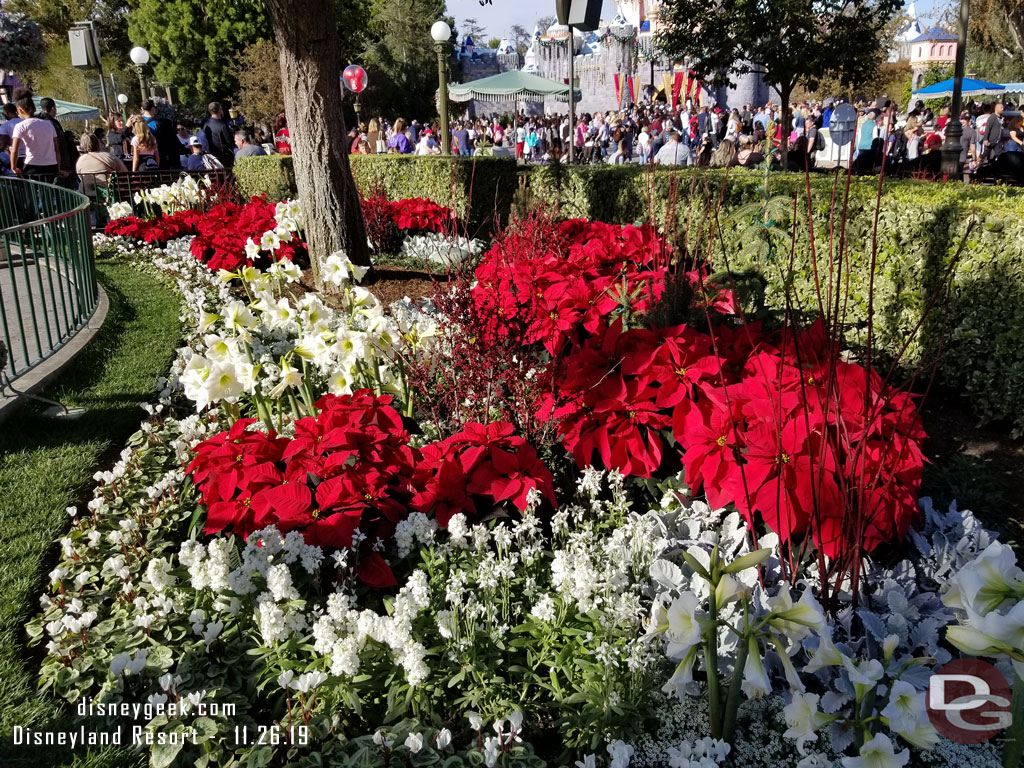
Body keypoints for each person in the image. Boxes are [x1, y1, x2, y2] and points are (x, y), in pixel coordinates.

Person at [9, 91, 62, 180]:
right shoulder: (49, 124)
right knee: (49, 192)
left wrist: (13, 167)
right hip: (51, 165)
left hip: (32, 166)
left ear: (20, 110)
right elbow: (57, 149)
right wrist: (58, 168)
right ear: (34, 109)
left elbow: (14, 150)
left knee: (32, 192)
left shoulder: (20, 126)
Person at [75, 132, 127, 200]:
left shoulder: (80, 160)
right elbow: (124, 173)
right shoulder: (109, 156)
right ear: (97, 142)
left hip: (87, 194)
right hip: (109, 193)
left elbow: (80, 176)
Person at [141, 99, 180, 169]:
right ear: (153, 108)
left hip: (143, 157)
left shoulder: (138, 121)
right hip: (160, 155)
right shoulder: (162, 123)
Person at [202, 102, 236, 168]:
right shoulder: (222, 125)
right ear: (220, 110)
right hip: (224, 158)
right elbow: (230, 142)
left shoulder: (206, 125)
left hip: (211, 158)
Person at [1, 102, 25, 169]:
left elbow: (2, 144)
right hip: (31, 156)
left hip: (17, 158)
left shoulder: (5, 126)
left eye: (4, 113)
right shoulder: (25, 121)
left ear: (7, 113)